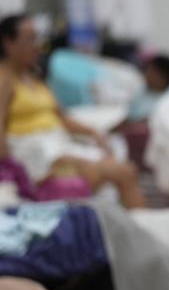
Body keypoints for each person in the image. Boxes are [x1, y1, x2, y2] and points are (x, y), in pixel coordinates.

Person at [0, 14, 146, 208]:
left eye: (37, 38)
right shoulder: (4, 81)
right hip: (35, 152)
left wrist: (94, 133)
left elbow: (61, 117)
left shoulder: (35, 78)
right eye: (30, 39)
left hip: (58, 143)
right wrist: (12, 174)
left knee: (120, 165)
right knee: (122, 172)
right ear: (8, 43)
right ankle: (141, 228)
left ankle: (133, 226)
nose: (37, 45)